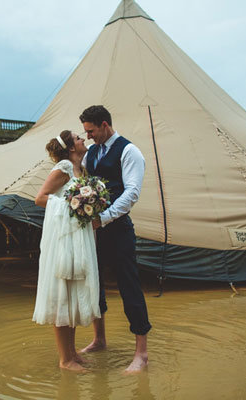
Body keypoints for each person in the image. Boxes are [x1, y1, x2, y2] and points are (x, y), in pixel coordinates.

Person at [79, 105, 151, 373]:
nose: (88, 137)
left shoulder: (130, 151)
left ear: (105, 125)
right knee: (94, 284)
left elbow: (132, 192)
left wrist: (104, 217)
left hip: (119, 230)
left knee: (129, 286)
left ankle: (141, 354)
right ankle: (99, 339)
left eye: (91, 131)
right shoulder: (92, 153)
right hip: (95, 232)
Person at [33, 129, 101, 372]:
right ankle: (65, 360)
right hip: (63, 241)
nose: (83, 139)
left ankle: (73, 353)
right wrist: (75, 204)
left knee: (72, 293)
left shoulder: (81, 170)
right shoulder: (63, 167)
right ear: (72, 147)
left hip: (78, 239)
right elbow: (40, 198)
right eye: (79, 137)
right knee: (62, 293)